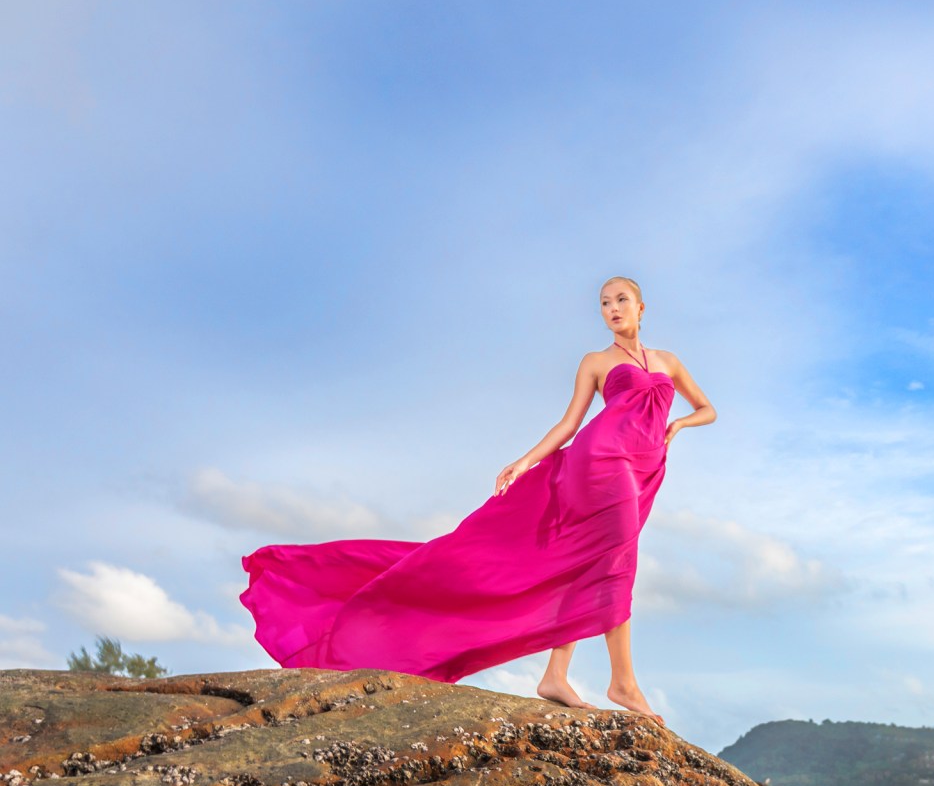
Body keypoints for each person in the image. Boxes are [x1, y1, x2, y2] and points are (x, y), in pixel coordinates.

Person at [240, 276, 715, 728]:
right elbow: (570, 424)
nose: (612, 309)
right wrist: (525, 461)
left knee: (590, 563)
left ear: (641, 307)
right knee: (616, 561)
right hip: (601, 461)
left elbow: (707, 409)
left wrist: (678, 427)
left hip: (642, 466)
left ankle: (555, 676)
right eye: (604, 304)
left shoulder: (668, 361)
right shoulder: (596, 361)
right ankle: (624, 683)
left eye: (620, 300)